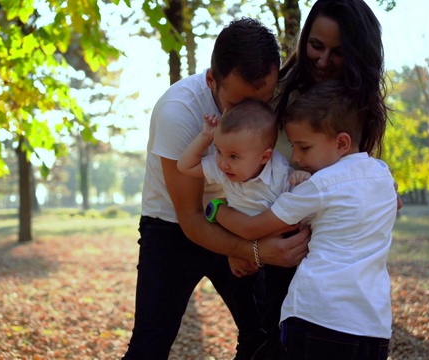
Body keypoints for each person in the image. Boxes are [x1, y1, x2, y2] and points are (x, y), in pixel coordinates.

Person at [123, 18, 311, 360]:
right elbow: (192, 218)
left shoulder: (274, 99)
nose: (254, 113)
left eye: (264, 101)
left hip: (241, 216)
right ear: (212, 79)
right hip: (173, 226)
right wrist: (252, 250)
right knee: (150, 343)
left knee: (265, 336)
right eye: (238, 105)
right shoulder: (178, 112)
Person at [216, 80, 397, 359]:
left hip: (317, 316)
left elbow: (252, 227)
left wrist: (216, 209)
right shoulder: (383, 174)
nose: (296, 158)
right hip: (374, 325)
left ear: (342, 143)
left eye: (304, 147)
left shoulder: (319, 185)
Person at [262, 1, 392, 358]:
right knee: (262, 342)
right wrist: (246, 247)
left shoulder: (357, 106)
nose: (322, 60)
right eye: (316, 46)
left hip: (324, 263)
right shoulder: (279, 92)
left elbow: (356, 178)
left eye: (337, 52)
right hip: (273, 238)